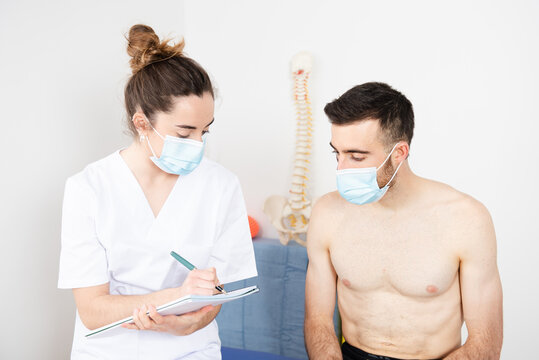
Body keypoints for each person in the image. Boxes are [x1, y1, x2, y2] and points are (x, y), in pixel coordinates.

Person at [57, 24, 257, 359]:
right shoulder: (88, 188)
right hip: (109, 350)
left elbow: (217, 291)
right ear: (142, 123)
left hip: (191, 349)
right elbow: (92, 310)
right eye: (184, 132)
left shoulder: (221, 185)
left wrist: (191, 323)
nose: (198, 145)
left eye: (204, 132)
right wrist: (175, 298)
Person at [304, 82, 503, 360]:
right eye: (337, 153)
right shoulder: (327, 212)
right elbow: (318, 321)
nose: (341, 169)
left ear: (399, 154)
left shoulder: (466, 218)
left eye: (356, 156)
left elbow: (485, 341)